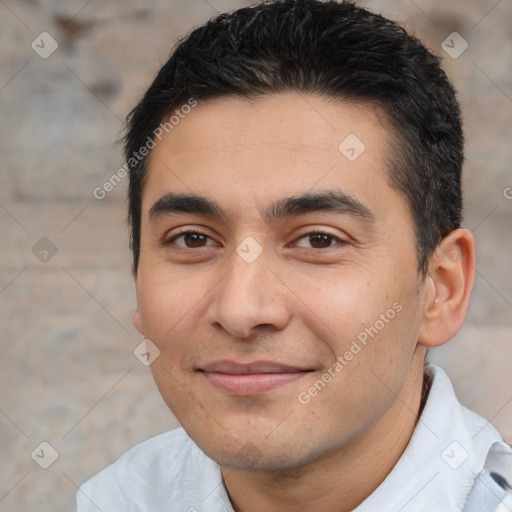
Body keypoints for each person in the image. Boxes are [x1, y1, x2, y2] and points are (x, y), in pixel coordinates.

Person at [77, 1, 507, 510]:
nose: (240, 311)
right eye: (192, 239)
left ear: (440, 288)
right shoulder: (117, 500)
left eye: (319, 240)